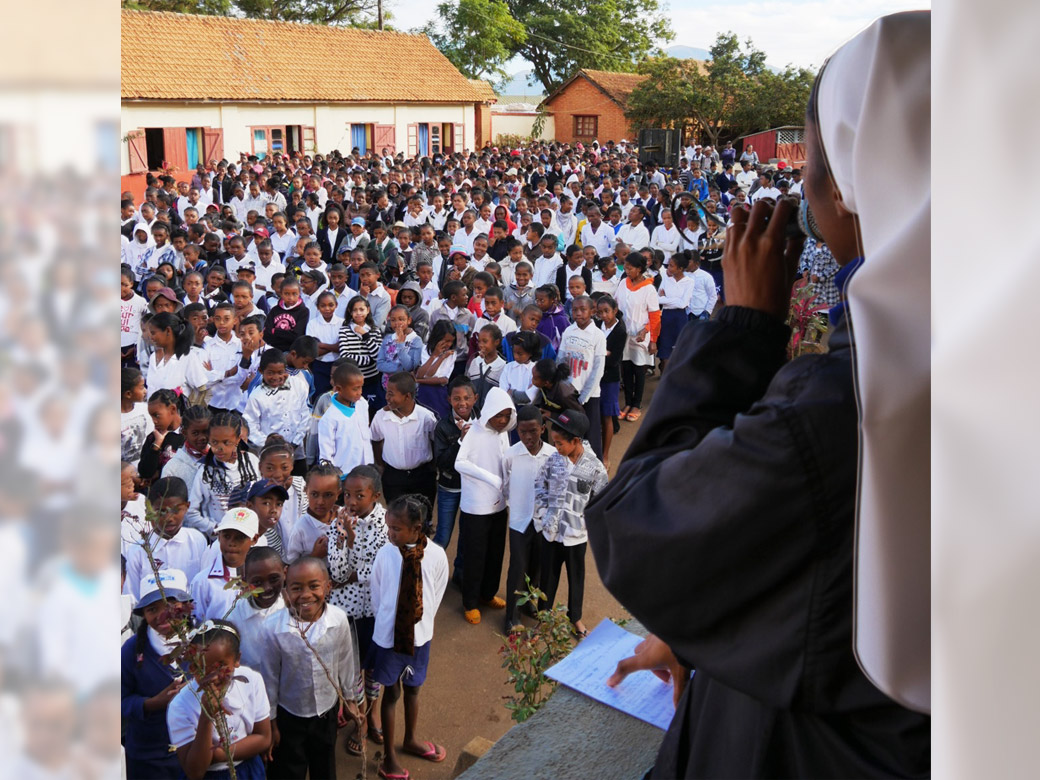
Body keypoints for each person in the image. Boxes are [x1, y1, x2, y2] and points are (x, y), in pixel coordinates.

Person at [587, 13, 931, 777]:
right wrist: (715, 629)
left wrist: (742, 328)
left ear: (850, 190)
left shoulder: (856, 403)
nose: (804, 189)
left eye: (814, 168)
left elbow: (637, 531)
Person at [369, 494, 449, 777]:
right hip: (390, 638)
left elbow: (437, 593)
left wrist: (421, 624)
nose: (390, 533)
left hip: (419, 637)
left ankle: (411, 739)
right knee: (391, 691)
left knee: (414, 688)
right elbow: (376, 594)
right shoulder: (386, 554)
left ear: (417, 529)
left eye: (396, 529)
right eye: (389, 528)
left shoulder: (437, 555)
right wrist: (390, 622)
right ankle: (389, 757)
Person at [260, 556, 359, 780]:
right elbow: (270, 678)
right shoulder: (273, 629)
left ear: (328, 586)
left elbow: (345, 660)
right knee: (288, 768)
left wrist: (350, 698)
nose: (305, 595)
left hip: (327, 710)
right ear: (285, 592)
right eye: (296, 588)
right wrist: (272, 722)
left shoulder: (338, 620)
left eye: (314, 586)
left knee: (324, 764)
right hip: (289, 714)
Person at [326, 465, 389, 754]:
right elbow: (337, 572)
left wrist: (353, 574)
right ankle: (360, 716)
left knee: (373, 666)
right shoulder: (338, 523)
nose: (350, 502)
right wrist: (346, 539)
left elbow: (377, 569)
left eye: (358, 496)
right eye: (347, 495)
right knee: (353, 670)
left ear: (375, 496)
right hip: (347, 612)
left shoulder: (386, 525)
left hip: (375, 610)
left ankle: (373, 712)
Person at [166, 620, 272, 779]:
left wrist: (221, 754)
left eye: (221, 666)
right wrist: (206, 717)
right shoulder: (180, 705)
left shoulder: (252, 680)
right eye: (202, 668)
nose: (212, 676)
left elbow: (264, 737)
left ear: (237, 659)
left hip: (247, 770)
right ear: (192, 668)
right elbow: (195, 772)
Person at [534, 409, 608, 638]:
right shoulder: (553, 460)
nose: (555, 447)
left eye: (559, 443)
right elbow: (540, 487)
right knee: (548, 576)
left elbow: (601, 500)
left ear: (576, 441)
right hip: (551, 533)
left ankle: (575, 618)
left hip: (577, 534)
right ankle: (543, 618)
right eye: (554, 442)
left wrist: (589, 524)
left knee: (576, 577)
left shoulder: (595, 467)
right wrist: (543, 516)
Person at [121, 569, 193, 779]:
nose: (163, 615)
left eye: (171, 606)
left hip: (193, 752)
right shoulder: (131, 651)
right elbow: (119, 699)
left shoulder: (203, 643)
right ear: (144, 614)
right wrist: (152, 703)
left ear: (186, 605)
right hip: (148, 756)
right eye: (153, 609)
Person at [454, 386, 516, 625]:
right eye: (498, 415)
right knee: (475, 555)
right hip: (476, 506)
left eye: (506, 416)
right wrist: (491, 479)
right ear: (488, 412)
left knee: (496, 552)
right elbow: (460, 462)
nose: (502, 420)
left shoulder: (503, 433)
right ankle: (470, 602)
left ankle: (488, 593)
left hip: (499, 505)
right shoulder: (474, 432)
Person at [502, 405, 555, 633]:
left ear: (542, 429)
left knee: (538, 567)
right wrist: (513, 506)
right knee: (518, 567)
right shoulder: (512, 454)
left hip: (543, 522)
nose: (528, 437)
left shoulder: (553, 455)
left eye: (533, 431)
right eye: (523, 432)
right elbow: (504, 484)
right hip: (519, 520)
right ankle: (512, 618)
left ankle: (530, 605)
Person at [124, 478, 208, 600]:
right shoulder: (137, 551)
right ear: (148, 509)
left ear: (187, 506)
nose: (169, 518)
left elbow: (202, 587)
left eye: (175, 510)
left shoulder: (197, 541)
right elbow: (132, 596)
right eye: (161, 511)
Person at [187, 412, 260, 539]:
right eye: (214, 442)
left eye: (226, 443)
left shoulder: (252, 462)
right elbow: (191, 512)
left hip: (250, 535)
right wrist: (215, 528)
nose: (220, 449)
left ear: (237, 440)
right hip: (221, 541)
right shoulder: (205, 472)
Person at [431, 376, 476, 582]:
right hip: (449, 488)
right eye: (457, 398)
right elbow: (442, 461)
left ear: (475, 398)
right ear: (449, 400)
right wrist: (460, 441)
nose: (462, 403)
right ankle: (431, 575)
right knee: (443, 536)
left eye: (467, 398)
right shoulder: (443, 426)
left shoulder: (483, 422)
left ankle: (459, 575)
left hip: (472, 490)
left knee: (467, 537)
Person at [371, 372, 438, 505]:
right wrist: (381, 465)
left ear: (407, 396)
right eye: (387, 392)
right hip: (393, 476)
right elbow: (376, 440)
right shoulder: (380, 416)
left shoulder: (426, 417)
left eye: (391, 394)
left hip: (422, 475)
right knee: (396, 515)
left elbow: (434, 441)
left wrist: (432, 467)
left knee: (423, 515)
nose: (386, 397)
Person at [556, 295, 606, 459]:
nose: (578, 313)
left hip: (589, 395)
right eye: (575, 309)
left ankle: (595, 467)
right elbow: (561, 360)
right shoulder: (568, 331)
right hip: (569, 392)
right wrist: (563, 385)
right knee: (570, 431)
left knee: (591, 433)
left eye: (583, 309)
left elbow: (598, 368)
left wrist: (584, 396)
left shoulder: (598, 335)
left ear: (592, 311)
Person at [190, 506, 258, 622]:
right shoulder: (202, 581)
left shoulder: (259, 577)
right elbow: (197, 621)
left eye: (240, 538)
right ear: (219, 536)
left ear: (254, 539)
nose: (232, 543)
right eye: (226, 536)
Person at [614, 253, 660, 422]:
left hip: (642, 335)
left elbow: (655, 316)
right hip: (624, 334)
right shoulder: (623, 284)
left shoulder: (649, 289)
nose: (626, 271)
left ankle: (636, 404)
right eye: (625, 267)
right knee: (626, 368)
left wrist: (652, 337)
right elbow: (616, 305)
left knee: (638, 370)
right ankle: (627, 403)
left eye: (630, 268)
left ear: (639, 269)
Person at [242, 349, 310, 455]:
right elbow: (250, 424)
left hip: (296, 451)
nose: (276, 377)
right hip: (270, 452)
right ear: (261, 371)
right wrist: (268, 443)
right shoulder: (256, 396)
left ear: (285, 370)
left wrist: (296, 441)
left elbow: (305, 415)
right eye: (270, 373)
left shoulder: (298, 386)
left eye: (280, 372)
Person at [317, 360, 373, 476]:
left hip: (366, 471)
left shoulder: (362, 403)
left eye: (361, 387)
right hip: (344, 475)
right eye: (355, 389)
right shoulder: (329, 418)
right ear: (338, 389)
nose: (360, 392)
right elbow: (326, 454)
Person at [337, 295, 383, 413]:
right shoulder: (345, 330)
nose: (358, 313)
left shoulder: (375, 331)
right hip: (351, 380)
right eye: (355, 310)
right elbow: (345, 356)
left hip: (371, 379)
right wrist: (369, 360)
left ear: (368, 310)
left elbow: (378, 356)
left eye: (361, 309)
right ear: (350, 312)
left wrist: (365, 335)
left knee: (372, 410)